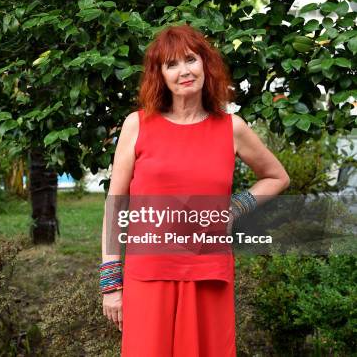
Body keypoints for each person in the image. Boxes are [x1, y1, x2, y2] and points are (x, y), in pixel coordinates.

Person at [99, 24, 290, 356]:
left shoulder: (232, 128)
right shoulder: (137, 125)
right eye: (171, 64)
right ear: (160, 75)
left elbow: (276, 176)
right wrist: (111, 284)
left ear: (205, 63)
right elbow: (115, 205)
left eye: (190, 59)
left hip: (208, 274)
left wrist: (234, 208)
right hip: (148, 275)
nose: (184, 71)